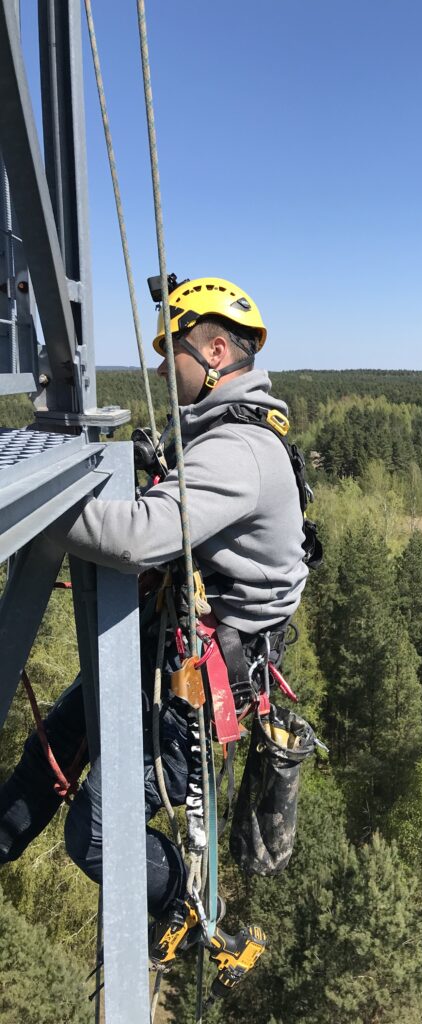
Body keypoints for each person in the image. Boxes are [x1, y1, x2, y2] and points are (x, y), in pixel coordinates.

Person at [0, 276, 310, 920]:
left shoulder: (239, 449)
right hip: (161, 653)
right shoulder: (220, 432)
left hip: (190, 691)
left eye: (175, 351)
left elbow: (139, 538)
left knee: (94, 835)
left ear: (217, 353)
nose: (163, 366)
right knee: (51, 750)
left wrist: (34, 509)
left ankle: (187, 906)